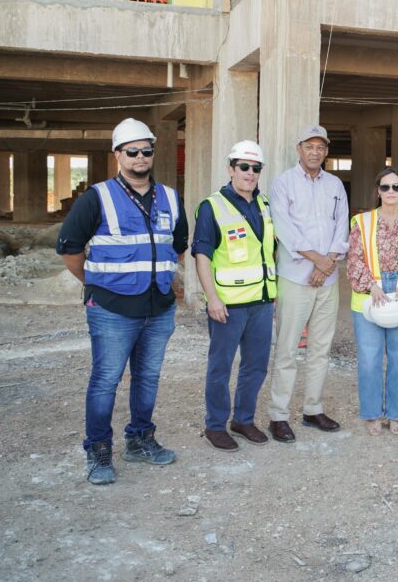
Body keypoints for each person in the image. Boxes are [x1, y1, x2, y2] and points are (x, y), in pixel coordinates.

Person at [57, 117, 187, 485]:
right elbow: (68, 249)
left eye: (146, 150)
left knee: (147, 378)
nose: (141, 157)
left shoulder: (171, 199)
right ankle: (98, 451)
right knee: (105, 381)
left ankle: (140, 440)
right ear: (117, 155)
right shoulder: (97, 198)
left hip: (158, 307)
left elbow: (176, 248)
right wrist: (95, 283)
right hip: (112, 310)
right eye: (132, 151)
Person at [192, 141, 276, 452]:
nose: (250, 173)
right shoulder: (212, 206)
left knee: (256, 365)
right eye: (243, 167)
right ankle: (215, 425)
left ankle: (243, 419)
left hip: (262, 301)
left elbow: (268, 252)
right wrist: (212, 298)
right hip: (228, 305)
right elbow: (202, 255)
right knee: (221, 366)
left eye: (256, 168)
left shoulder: (264, 204)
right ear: (231, 169)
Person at [267, 125, 349, 442]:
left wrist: (327, 262)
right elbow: (285, 230)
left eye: (321, 147)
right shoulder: (283, 183)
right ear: (299, 148)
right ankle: (278, 415)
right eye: (309, 146)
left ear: (326, 151)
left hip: (327, 279)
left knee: (320, 349)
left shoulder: (335, 185)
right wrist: (319, 260)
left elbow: (342, 227)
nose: (315, 152)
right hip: (295, 278)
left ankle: (313, 409)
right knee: (287, 349)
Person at [347, 167, 398, 436]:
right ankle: (371, 414)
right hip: (369, 298)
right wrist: (370, 285)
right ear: (377, 191)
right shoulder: (362, 221)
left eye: (396, 187)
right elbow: (355, 257)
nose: (390, 192)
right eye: (385, 187)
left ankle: (397, 414)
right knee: (369, 359)